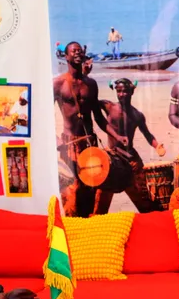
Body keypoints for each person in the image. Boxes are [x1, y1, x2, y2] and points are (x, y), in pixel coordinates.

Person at [53, 41, 112, 217]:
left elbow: (98, 118)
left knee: (95, 188)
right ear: (66, 56)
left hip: (89, 143)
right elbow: (44, 114)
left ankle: (92, 230)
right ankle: (74, 229)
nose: (77, 53)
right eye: (73, 51)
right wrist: (55, 140)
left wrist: (116, 135)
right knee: (72, 191)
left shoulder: (91, 84)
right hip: (69, 145)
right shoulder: (58, 83)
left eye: (80, 50)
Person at [100, 78, 167, 212]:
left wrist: (157, 145)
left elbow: (147, 135)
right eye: (118, 91)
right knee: (102, 200)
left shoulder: (137, 115)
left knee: (143, 198)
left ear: (132, 92)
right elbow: (90, 103)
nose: (121, 94)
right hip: (111, 158)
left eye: (125, 91)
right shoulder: (109, 107)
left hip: (131, 160)